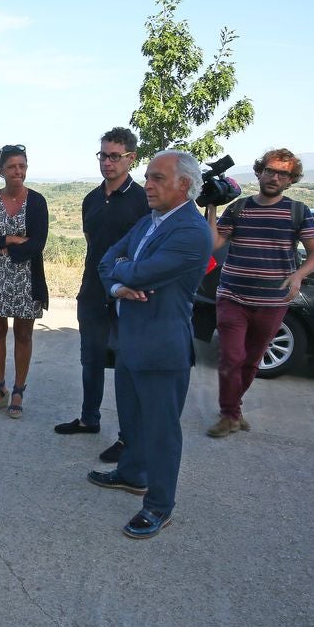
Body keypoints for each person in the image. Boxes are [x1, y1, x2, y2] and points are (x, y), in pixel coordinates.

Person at [89, 150, 212, 539]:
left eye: (158, 178)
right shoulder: (149, 222)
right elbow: (107, 258)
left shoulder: (192, 231)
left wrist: (126, 275)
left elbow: (141, 270)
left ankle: (159, 505)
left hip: (161, 348)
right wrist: (119, 283)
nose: (149, 185)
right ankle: (131, 474)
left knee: (161, 431)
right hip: (131, 340)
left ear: (184, 185)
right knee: (131, 417)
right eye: (148, 177)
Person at [204, 148, 314, 437]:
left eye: (283, 173)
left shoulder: (298, 211)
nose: (274, 177)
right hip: (232, 295)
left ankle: (234, 408)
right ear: (259, 172)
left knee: (252, 361)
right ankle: (229, 414)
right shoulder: (240, 208)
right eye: (270, 170)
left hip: (272, 301)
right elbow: (213, 244)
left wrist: (298, 276)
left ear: (291, 180)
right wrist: (211, 207)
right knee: (231, 357)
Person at [54, 128, 149, 462]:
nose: (107, 162)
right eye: (103, 155)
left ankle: (128, 437)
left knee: (127, 366)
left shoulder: (143, 201)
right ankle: (88, 419)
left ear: (131, 159)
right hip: (92, 291)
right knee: (90, 359)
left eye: (115, 156)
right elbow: (93, 245)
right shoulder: (91, 200)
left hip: (128, 295)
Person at [0, 144, 48, 419]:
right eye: (12, 166)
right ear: (1, 171)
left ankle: (18, 390)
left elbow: (38, 243)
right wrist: (13, 239)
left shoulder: (37, 201)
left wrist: (3, 249)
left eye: (22, 166)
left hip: (27, 279)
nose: (18, 171)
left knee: (24, 335)